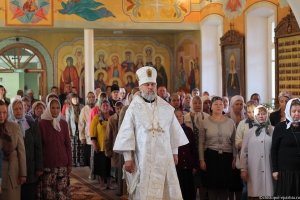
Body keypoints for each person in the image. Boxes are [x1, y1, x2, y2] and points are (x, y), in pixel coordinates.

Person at [113, 66, 188, 199]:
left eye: (152, 84)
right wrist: (128, 159)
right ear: (141, 87)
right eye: (147, 84)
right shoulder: (133, 108)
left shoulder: (166, 108)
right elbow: (127, 135)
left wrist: (175, 152)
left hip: (164, 157)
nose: (150, 87)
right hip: (143, 158)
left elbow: (173, 132)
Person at [199, 96, 237, 200]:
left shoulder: (230, 122)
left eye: (221, 104)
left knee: (225, 186)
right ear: (211, 106)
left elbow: (234, 141)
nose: (218, 106)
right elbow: (201, 143)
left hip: (226, 157)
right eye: (215, 104)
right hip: (211, 157)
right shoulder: (205, 122)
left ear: (224, 106)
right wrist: (202, 159)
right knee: (212, 187)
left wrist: (234, 157)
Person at [8, 97, 43, 200]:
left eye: (20, 108)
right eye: (15, 109)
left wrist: (39, 167)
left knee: (28, 195)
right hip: (13, 168)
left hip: (30, 167)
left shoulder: (32, 125)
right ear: (11, 110)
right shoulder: (7, 126)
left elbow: (38, 147)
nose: (19, 111)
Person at [37, 99, 72, 199]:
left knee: (61, 193)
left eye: (58, 108)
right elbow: (39, 147)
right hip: (47, 164)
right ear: (48, 109)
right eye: (53, 108)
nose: (55, 110)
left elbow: (67, 145)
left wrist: (69, 163)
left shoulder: (64, 123)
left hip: (62, 163)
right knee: (49, 193)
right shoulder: (41, 124)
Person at [239, 105, 274, 199]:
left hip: (269, 167)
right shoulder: (249, 133)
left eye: (263, 114)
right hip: (254, 169)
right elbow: (244, 152)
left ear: (267, 115)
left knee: (269, 193)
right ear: (255, 116)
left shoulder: (273, 130)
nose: (261, 116)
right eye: (258, 114)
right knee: (255, 194)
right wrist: (243, 169)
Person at [271, 98, 300, 197]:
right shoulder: (280, 127)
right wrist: (275, 170)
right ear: (289, 111)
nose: (297, 113)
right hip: (285, 171)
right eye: (294, 111)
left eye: (299, 111)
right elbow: (274, 149)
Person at [0, 101, 26, 200]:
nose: (2, 116)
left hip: (12, 174)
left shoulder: (14, 127)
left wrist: (23, 173)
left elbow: (21, 151)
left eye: (4, 112)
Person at [184, 96, 209, 200]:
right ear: (191, 104)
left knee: (203, 179)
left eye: (199, 103)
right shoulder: (185, 117)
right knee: (192, 180)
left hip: (204, 152)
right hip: (191, 153)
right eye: (195, 103)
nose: (197, 105)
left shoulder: (207, 117)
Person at [235, 100, 257, 200]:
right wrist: (249, 145)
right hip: (246, 159)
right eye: (249, 112)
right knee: (246, 186)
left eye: (253, 111)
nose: (251, 114)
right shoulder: (242, 124)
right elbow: (237, 142)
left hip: (259, 159)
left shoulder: (263, 123)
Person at [90, 99, 114, 190]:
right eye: (103, 105)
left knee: (110, 165)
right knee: (101, 165)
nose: (105, 107)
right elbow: (92, 134)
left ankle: (109, 183)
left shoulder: (113, 116)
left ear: (109, 106)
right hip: (100, 145)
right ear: (100, 107)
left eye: (107, 105)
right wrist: (94, 144)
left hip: (111, 146)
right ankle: (101, 184)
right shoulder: (96, 117)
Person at [175, 109, 197, 200]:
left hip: (188, 166)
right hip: (177, 167)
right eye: (176, 116)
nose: (179, 118)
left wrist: (194, 165)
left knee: (189, 193)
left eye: (180, 116)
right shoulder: (170, 131)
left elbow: (193, 149)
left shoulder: (188, 130)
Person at [227, 95, 246, 200]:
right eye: (237, 104)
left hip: (243, 152)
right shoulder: (226, 117)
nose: (239, 107)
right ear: (232, 105)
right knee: (231, 180)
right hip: (230, 152)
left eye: (241, 104)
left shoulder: (247, 117)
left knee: (240, 182)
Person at [105, 101, 124, 186]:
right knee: (117, 169)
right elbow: (108, 136)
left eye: (121, 108)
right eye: (117, 108)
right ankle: (118, 187)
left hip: (125, 147)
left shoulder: (127, 117)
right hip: (115, 147)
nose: (119, 110)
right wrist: (108, 150)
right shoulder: (112, 119)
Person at [66, 93, 84, 167]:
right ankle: (74, 162)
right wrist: (69, 130)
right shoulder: (69, 108)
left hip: (80, 129)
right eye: (73, 99)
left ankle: (81, 161)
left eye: (76, 98)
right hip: (73, 129)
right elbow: (67, 121)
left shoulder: (82, 107)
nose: (75, 100)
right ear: (71, 100)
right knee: (73, 146)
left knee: (81, 146)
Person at [79, 91, 96, 170]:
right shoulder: (84, 109)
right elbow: (81, 124)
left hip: (97, 135)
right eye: (90, 97)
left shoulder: (98, 108)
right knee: (89, 154)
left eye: (93, 97)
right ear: (87, 98)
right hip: (88, 135)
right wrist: (82, 137)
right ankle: (90, 170)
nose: (92, 98)